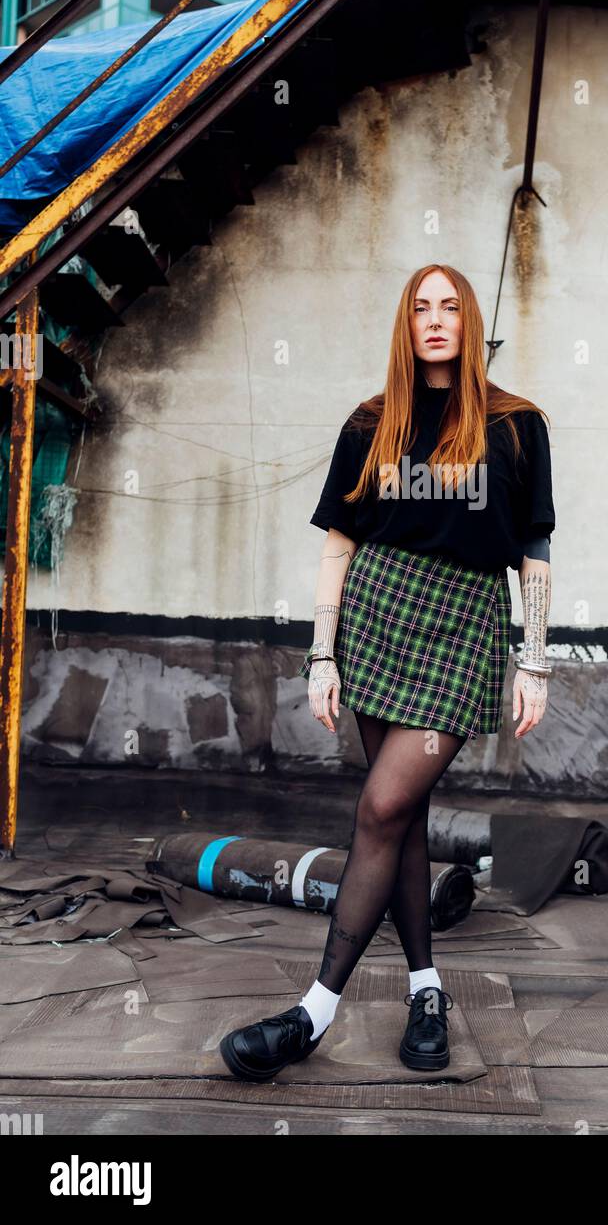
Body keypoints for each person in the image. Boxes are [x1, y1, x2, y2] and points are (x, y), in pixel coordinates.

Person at [220, 263, 555, 1082]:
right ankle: (427, 988)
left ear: (469, 323)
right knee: (401, 815)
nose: (435, 320)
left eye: (449, 308)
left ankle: (313, 1013)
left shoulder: (517, 425)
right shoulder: (370, 423)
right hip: (376, 614)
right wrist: (322, 652)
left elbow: (534, 552)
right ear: (406, 325)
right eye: (420, 308)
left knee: (382, 806)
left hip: (462, 626)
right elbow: (338, 543)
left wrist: (535, 660)